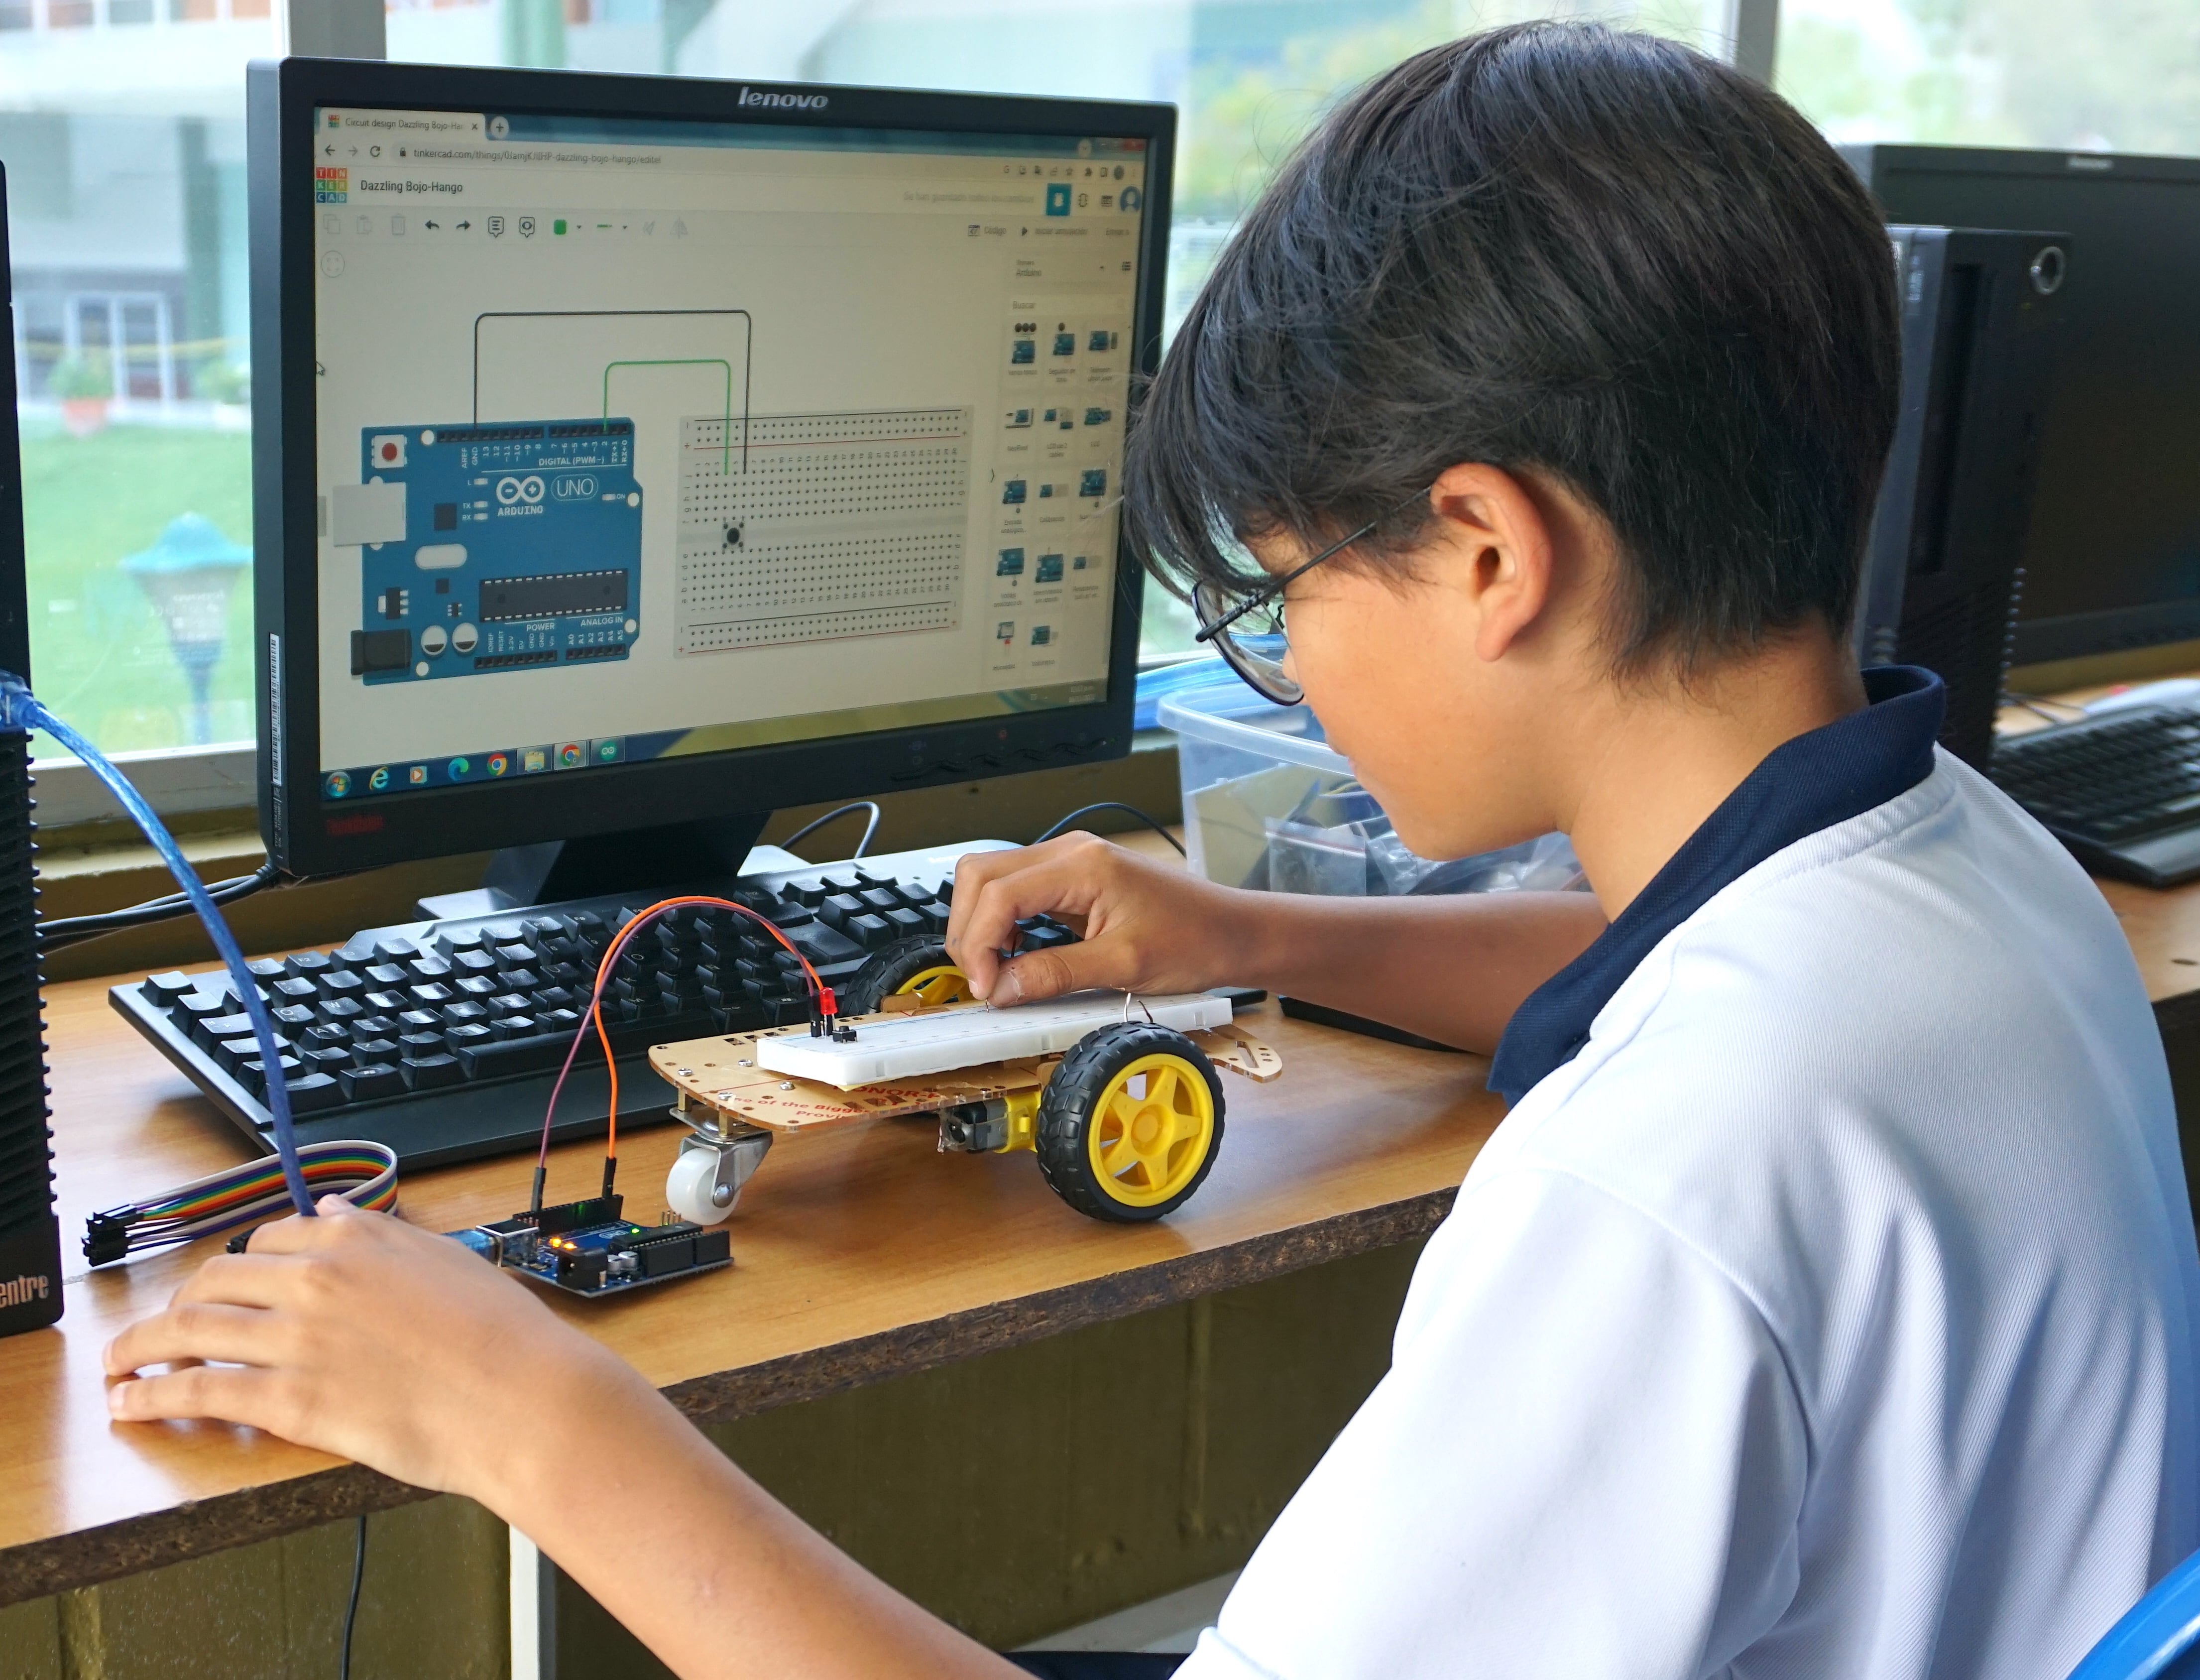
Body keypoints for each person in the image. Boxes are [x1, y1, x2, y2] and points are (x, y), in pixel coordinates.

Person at [102, 22, 2199, 1680]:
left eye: (1279, 591)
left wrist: (526, 1420)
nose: (1283, 656)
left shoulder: (1669, 1182)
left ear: (1486, 552)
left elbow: (1694, 1101)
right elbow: (1669, 954)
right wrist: (1239, 924)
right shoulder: (1974, 873)